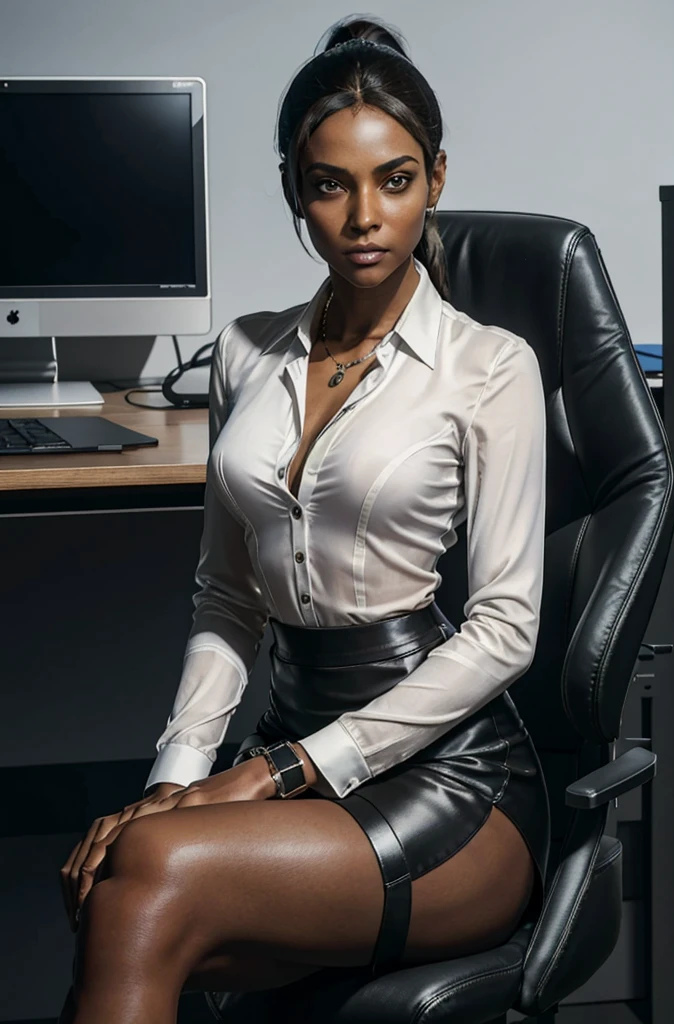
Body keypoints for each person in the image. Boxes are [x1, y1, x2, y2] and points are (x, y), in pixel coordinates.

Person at [58, 15, 550, 1023]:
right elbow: (227, 596)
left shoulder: (487, 367)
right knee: (130, 872)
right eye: (329, 184)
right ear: (294, 189)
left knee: (135, 872)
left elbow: (505, 629)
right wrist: (179, 775)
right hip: (287, 746)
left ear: (436, 180)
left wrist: (280, 771)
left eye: (394, 179)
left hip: (452, 784)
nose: (363, 215)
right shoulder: (246, 354)